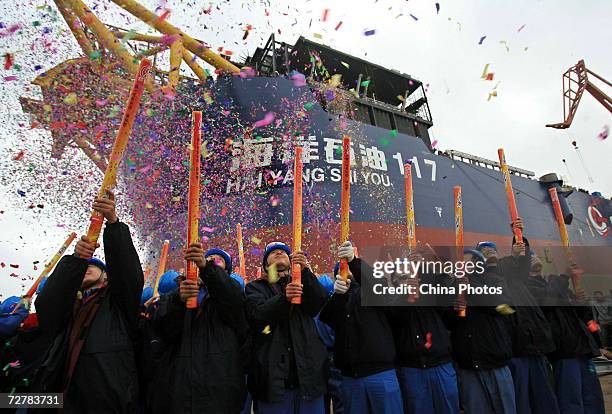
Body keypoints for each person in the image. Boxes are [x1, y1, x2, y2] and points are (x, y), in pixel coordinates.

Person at [33, 189, 144, 413]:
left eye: (94, 266)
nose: (88, 267)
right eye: (86, 265)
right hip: (56, 399)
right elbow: (47, 304)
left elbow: (128, 274)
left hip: (103, 399)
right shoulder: (71, 307)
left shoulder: (117, 306)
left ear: (106, 276)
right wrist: (76, 261)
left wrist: (113, 224)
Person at [152, 245, 248, 413]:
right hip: (180, 389)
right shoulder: (177, 294)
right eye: (208, 258)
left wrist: (207, 267)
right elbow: (162, 328)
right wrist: (178, 301)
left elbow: (232, 299)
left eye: (217, 261)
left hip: (220, 389)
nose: (211, 261)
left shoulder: (231, 294)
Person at [319, 241, 404, 414]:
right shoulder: (336, 299)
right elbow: (327, 318)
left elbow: (377, 285)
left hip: (380, 374)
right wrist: (338, 296)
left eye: (349, 269)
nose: (347, 274)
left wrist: (354, 262)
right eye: (342, 270)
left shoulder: (374, 293)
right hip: (350, 378)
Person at [246, 242, 328, 414]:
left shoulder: (303, 282)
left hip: (308, 379)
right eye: (273, 252)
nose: (279, 253)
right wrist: (285, 298)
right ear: (265, 264)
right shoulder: (255, 287)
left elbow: (319, 302)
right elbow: (258, 316)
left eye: (283, 252)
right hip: (272, 381)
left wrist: (305, 271)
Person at [490, 218, 560, 414]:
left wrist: (519, 238)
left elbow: (521, 263)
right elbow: (514, 264)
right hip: (516, 351)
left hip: (536, 348)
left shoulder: (519, 280)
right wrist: (516, 250)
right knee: (523, 401)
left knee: (545, 399)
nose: (491, 255)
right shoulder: (497, 276)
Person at [390, 246, 459, 414]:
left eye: (409, 275)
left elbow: (448, 294)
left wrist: (428, 268)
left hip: (441, 364)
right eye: (402, 277)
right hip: (413, 369)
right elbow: (396, 316)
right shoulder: (392, 302)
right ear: (395, 282)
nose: (407, 279)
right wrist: (408, 297)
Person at [450, 249, 516, 414]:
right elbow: (447, 322)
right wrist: (456, 310)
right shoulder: (453, 288)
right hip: (468, 367)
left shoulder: (495, 281)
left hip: (496, 363)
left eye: (467, 261)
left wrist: (470, 287)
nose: (463, 265)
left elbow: (506, 307)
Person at [538, 257, 605, 414]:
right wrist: (564, 276)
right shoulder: (543, 294)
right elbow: (549, 297)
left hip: (584, 350)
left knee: (592, 395)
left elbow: (584, 317)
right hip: (565, 353)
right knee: (570, 396)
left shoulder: (567, 295)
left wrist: (582, 302)